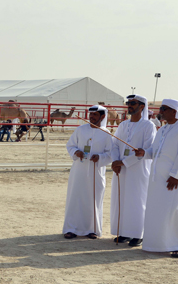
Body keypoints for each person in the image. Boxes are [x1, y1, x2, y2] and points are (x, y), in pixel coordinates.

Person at [134, 99, 178, 258]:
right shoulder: (163, 129)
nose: (160, 111)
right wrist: (145, 153)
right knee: (157, 212)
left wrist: (176, 176)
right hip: (157, 180)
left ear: (174, 111)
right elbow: (156, 151)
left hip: (175, 180)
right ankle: (156, 244)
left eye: (164, 108)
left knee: (173, 211)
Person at [109, 95, 157, 246]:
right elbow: (115, 145)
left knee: (137, 200)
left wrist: (123, 162)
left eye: (133, 103)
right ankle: (124, 232)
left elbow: (146, 150)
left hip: (138, 169)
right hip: (121, 169)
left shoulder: (148, 126)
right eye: (128, 103)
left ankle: (138, 234)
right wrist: (115, 161)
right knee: (122, 199)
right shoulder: (123, 125)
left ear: (142, 106)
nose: (129, 105)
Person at [63, 105, 113, 239]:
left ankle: (92, 229)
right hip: (78, 171)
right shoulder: (80, 130)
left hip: (96, 172)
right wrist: (76, 152)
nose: (91, 117)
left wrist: (100, 157)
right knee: (75, 198)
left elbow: (111, 153)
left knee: (93, 199)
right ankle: (71, 228)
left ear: (102, 117)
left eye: (95, 115)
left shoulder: (107, 134)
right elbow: (70, 145)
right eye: (90, 115)